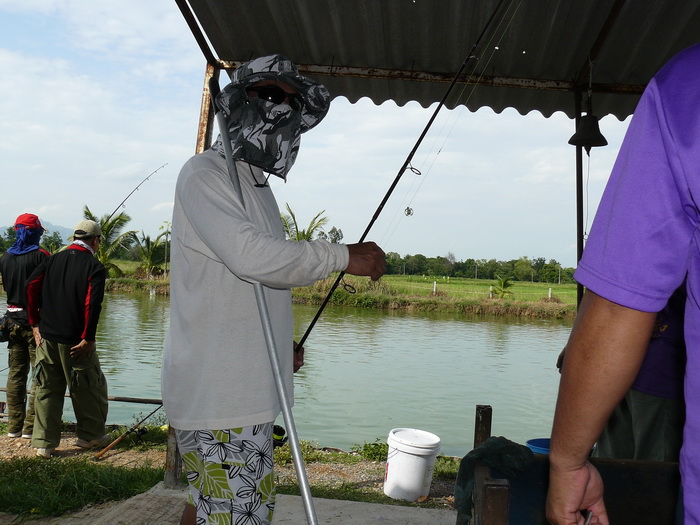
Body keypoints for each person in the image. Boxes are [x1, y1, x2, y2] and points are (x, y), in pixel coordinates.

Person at [161, 54, 386, 525]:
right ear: (236, 101)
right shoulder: (205, 173)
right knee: (236, 516)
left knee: (211, 508)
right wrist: (343, 256)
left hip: (245, 392)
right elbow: (252, 257)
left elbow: (250, 284)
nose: (278, 108)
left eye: (290, 100)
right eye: (267, 94)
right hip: (222, 402)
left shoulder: (256, 186)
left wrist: (275, 347)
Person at [546, 42, 700, 525]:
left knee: (648, 469)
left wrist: (566, 461)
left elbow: (617, 304)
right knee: (621, 460)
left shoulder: (687, 85)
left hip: (657, 379)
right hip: (631, 377)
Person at [26, 219, 109, 458]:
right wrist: (88, 338)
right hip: (76, 341)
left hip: (47, 338)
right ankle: (90, 436)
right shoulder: (94, 266)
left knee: (46, 389)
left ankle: (44, 443)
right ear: (95, 241)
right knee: (88, 387)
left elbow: (30, 285)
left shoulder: (51, 260)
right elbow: (92, 304)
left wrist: (35, 323)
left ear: (74, 238)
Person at [0, 213, 49, 439]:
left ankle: (13, 428)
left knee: (16, 375)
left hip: (10, 321)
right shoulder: (42, 256)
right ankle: (30, 429)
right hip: (35, 324)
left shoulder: (5, 257)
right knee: (39, 376)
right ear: (35, 232)